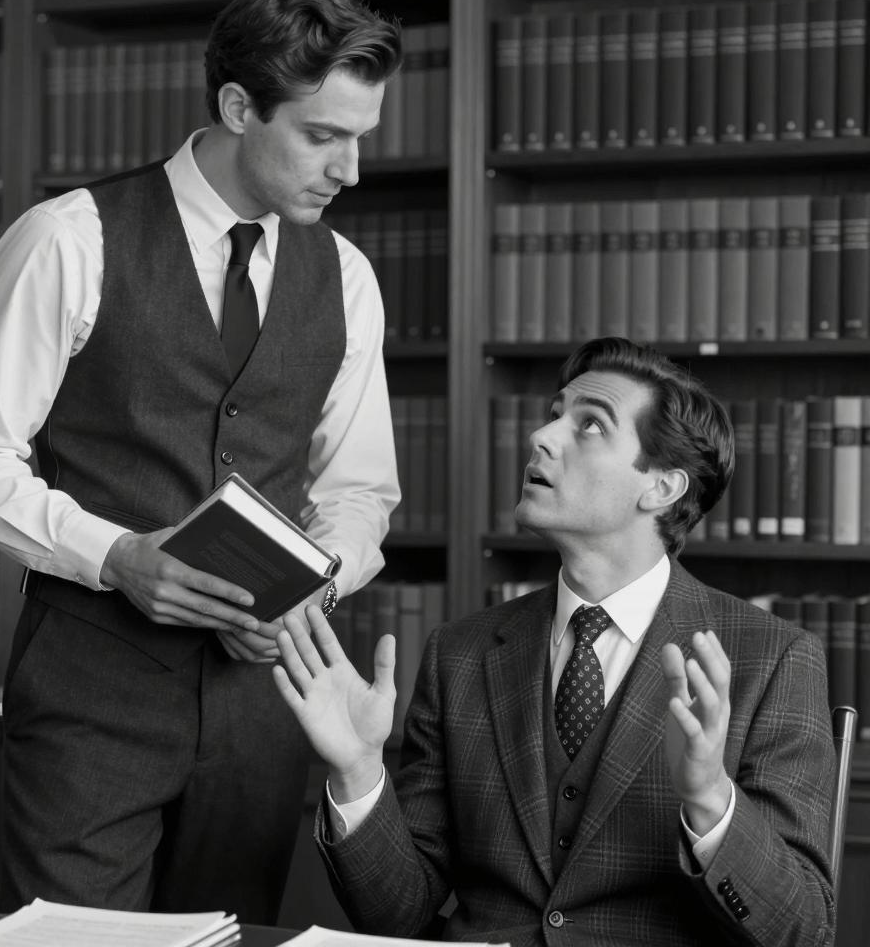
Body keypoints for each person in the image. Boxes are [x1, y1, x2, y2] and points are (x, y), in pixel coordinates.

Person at [0, 0, 402, 919]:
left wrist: (314, 584)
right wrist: (116, 558)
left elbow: (360, 492)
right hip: (88, 703)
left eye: (361, 138)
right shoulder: (68, 240)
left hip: (263, 707)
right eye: (322, 136)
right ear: (238, 107)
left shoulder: (347, 276)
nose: (349, 170)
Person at [273, 336, 835, 946]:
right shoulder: (457, 655)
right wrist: (358, 771)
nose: (541, 437)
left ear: (662, 487)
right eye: (554, 414)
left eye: (590, 425)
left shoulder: (772, 659)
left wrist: (711, 800)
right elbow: (399, 916)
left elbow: (804, 932)